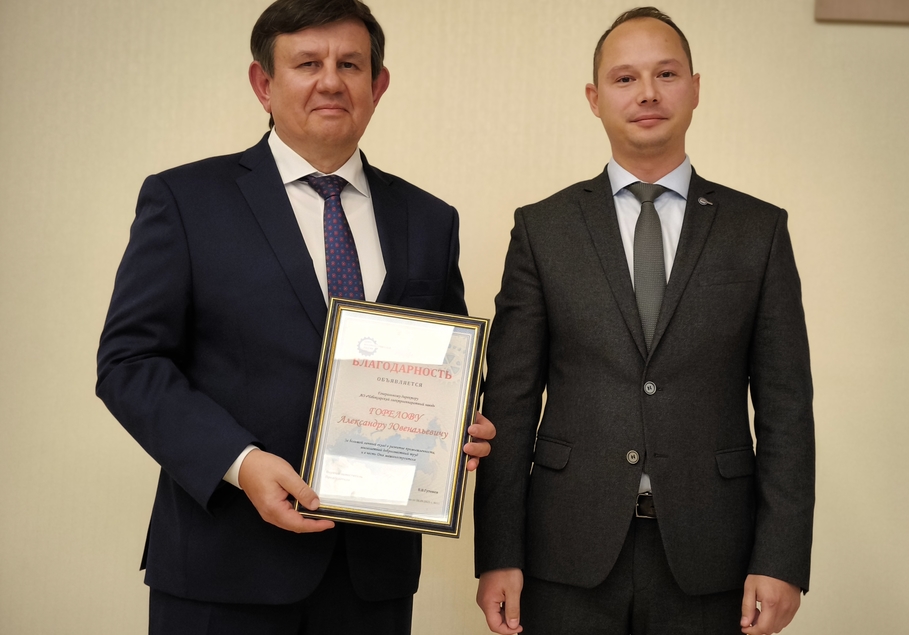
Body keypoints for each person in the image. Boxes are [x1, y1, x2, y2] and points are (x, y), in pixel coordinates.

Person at [96, 1, 493, 633]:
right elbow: (129, 364)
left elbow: (447, 365)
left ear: (378, 85)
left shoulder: (429, 220)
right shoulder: (186, 200)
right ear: (264, 83)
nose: (331, 81)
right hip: (224, 568)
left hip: (371, 578)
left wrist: (461, 424)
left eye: (350, 65)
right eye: (308, 63)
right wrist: (240, 461)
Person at [474, 7, 814, 635]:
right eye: (625, 78)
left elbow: (786, 407)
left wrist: (781, 558)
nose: (648, 93)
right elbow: (510, 404)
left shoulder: (757, 231)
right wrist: (498, 552)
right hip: (565, 552)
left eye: (666, 74)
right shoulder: (543, 229)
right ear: (594, 98)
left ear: (695, 88)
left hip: (713, 555)